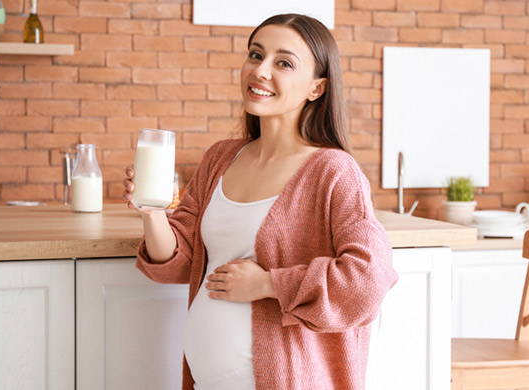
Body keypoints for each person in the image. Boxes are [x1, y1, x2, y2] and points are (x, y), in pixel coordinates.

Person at [122, 13, 398, 390]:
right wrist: (153, 213)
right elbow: (179, 264)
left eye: (283, 62)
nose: (261, 70)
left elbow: (367, 281)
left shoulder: (333, 172)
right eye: (256, 55)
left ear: (317, 88)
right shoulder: (221, 157)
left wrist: (270, 284)